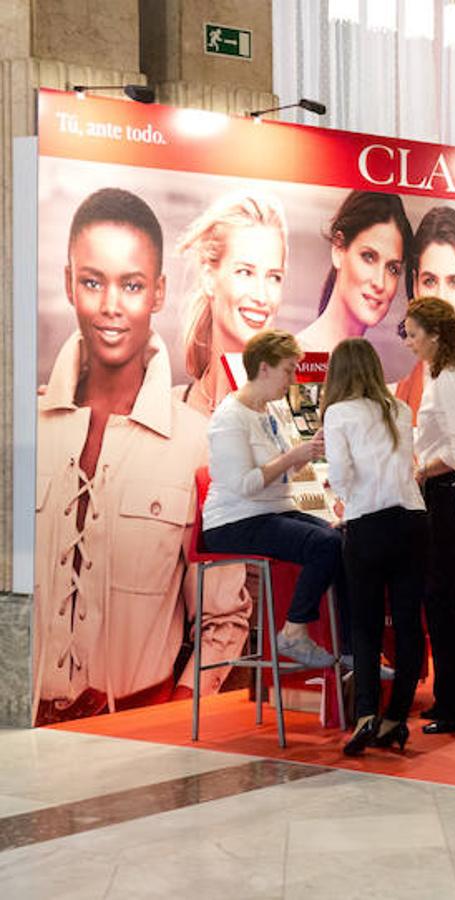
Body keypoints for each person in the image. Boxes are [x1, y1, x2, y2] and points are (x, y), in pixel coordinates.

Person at [33, 187, 250, 725]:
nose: (111, 306)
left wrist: (174, 719)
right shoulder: (22, 429)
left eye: (131, 285)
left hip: (140, 732)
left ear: (157, 293)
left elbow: (224, 617)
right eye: (92, 282)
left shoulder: (197, 442)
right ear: (68, 284)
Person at [201, 330, 346, 669]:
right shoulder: (229, 418)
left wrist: (306, 456)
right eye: (288, 370)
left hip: (271, 510)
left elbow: (283, 477)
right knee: (324, 544)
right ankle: (294, 632)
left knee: (342, 537)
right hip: (233, 521)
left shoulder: (269, 412)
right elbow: (245, 484)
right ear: (264, 368)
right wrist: (291, 457)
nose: (293, 379)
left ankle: (352, 648)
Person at [321, 339, 428, 756]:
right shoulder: (398, 409)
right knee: (406, 623)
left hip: (368, 522)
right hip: (413, 521)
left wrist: (344, 498)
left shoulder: (338, 413)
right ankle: (395, 718)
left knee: (364, 624)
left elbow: (342, 475)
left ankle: (366, 712)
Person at [404, 297, 455, 736]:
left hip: (448, 497)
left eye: (413, 333)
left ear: (434, 335)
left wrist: (420, 467)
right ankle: (452, 699)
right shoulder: (444, 377)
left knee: (447, 600)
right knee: (446, 601)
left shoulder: (450, 381)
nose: (410, 342)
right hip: (443, 495)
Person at [176, 190, 289, 415]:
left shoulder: (292, 411)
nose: (261, 296)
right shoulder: (172, 408)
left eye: (273, 277)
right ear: (209, 278)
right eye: (245, 272)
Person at [395, 206, 455, 425]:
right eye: (430, 281)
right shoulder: (393, 402)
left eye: (454, 282)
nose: (441, 298)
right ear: (415, 286)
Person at [296, 191, 414, 353]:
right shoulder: (307, 359)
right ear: (338, 249)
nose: (380, 283)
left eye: (392, 269)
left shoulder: (363, 367)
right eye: (368, 257)